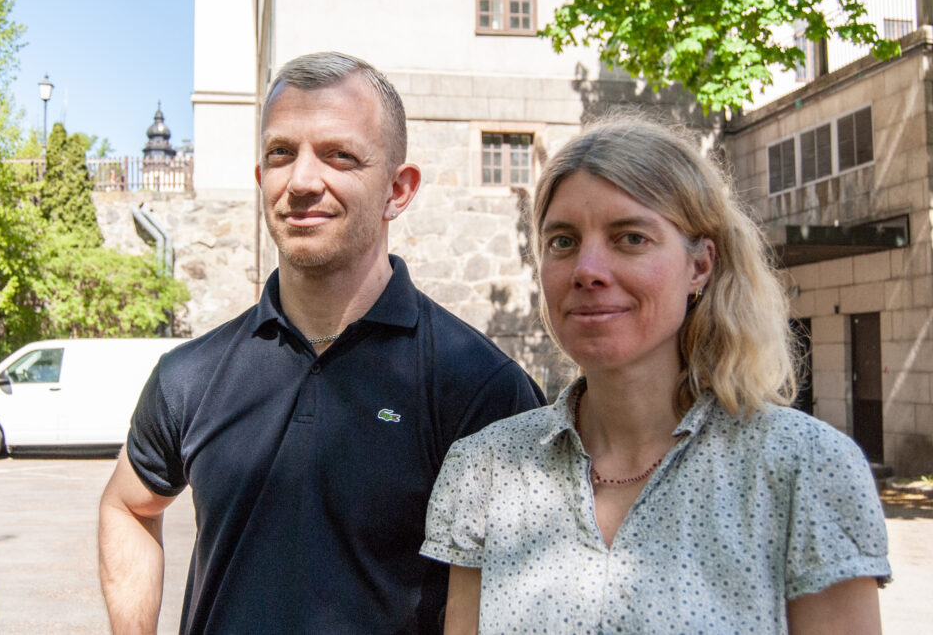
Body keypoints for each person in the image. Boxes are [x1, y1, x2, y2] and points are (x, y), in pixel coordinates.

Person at [97, 52, 545, 634]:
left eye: (339, 156)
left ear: (398, 190)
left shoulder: (479, 389)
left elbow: (525, 586)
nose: (303, 181)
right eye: (281, 154)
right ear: (262, 180)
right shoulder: (190, 375)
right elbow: (127, 507)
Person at [422, 115, 891, 634]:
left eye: (630, 238)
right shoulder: (484, 469)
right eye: (563, 241)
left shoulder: (804, 470)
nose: (587, 269)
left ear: (700, 267)